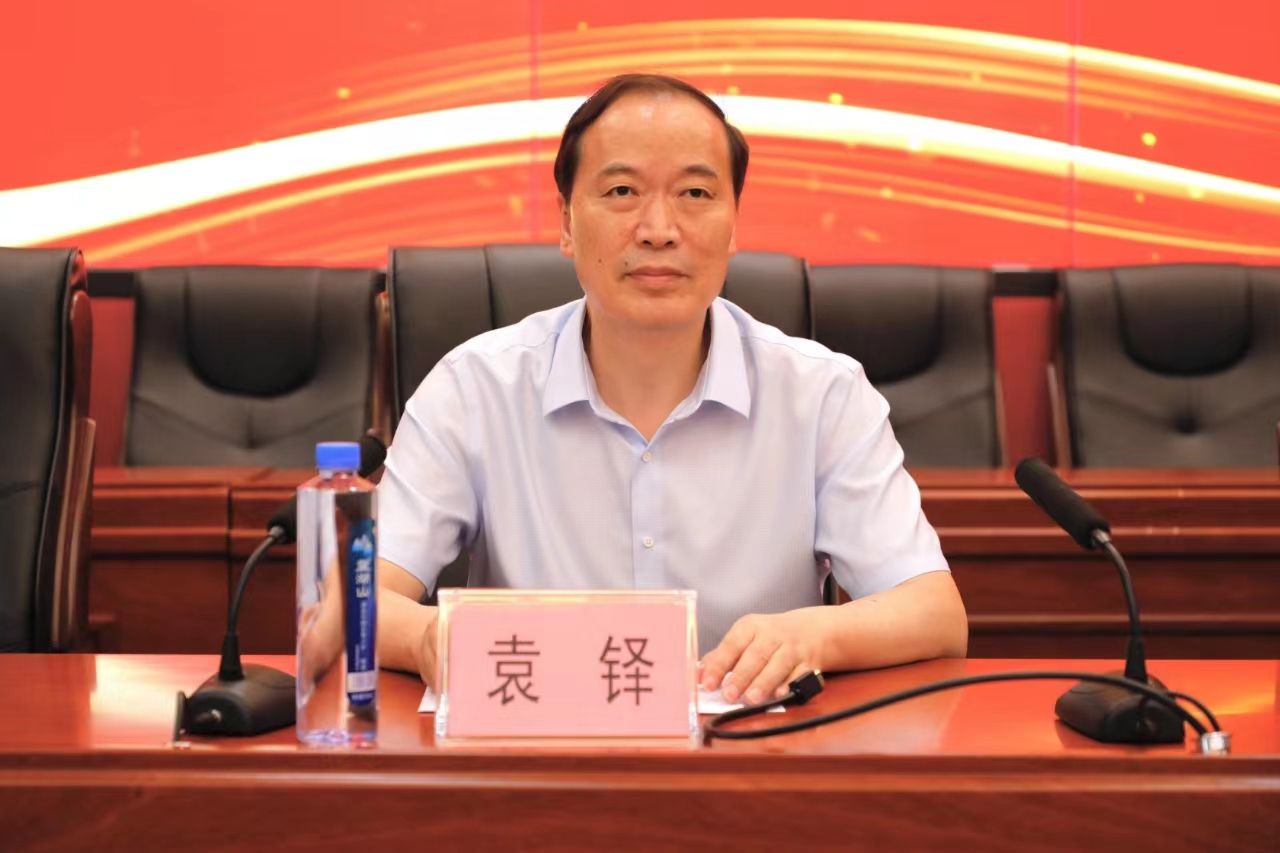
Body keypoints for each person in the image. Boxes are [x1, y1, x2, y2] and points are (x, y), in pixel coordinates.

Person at [376, 73, 967, 706]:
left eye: (695, 193)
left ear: (733, 224)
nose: (659, 229)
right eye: (622, 191)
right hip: (536, 750)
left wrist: (813, 635)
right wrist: (431, 637)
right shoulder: (474, 389)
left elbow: (934, 613)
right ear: (567, 222)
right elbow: (353, 601)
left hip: (752, 752)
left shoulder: (822, 395)